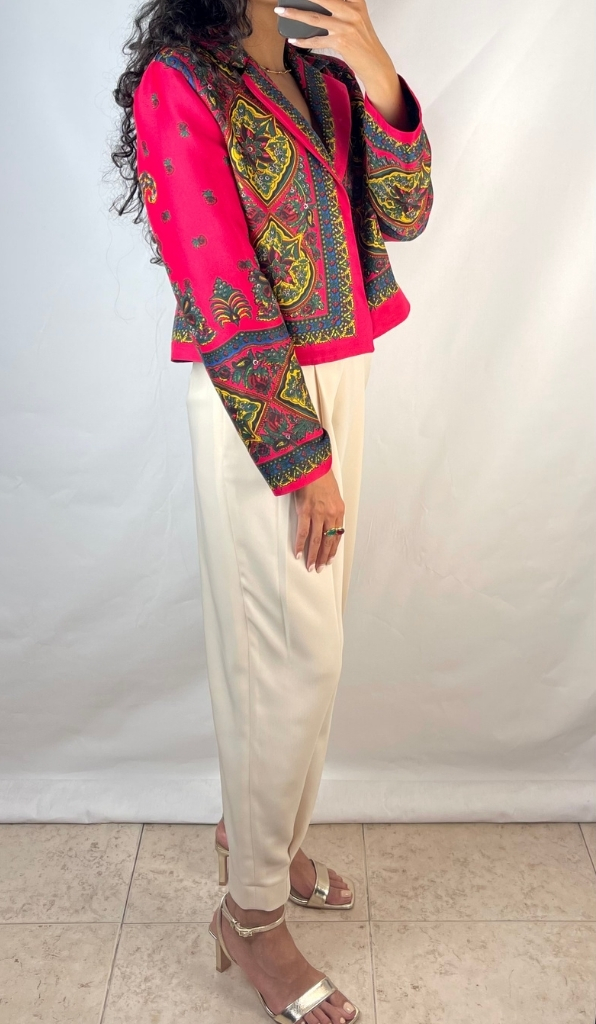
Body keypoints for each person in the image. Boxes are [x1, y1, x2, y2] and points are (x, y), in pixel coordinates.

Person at [112, 1, 433, 1020]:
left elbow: (406, 213)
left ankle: (265, 841)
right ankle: (250, 917)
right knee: (286, 660)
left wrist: (376, 69)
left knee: (308, 647)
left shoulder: (321, 71)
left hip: (342, 375)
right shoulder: (181, 83)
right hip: (258, 399)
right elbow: (218, 284)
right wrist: (302, 462)